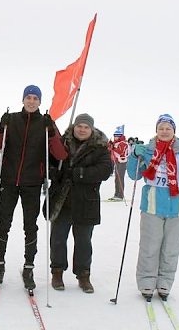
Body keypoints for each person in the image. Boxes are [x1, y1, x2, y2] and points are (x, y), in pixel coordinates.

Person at [0, 85, 67, 289]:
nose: (31, 101)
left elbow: (60, 154)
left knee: (30, 226)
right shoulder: (11, 119)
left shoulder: (46, 123)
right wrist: (0, 128)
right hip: (8, 180)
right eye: (28, 97)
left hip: (32, 182)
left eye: (35, 98)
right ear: (22, 100)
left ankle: (29, 266)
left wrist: (51, 133)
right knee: (3, 224)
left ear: (40, 102)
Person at [127, 114, 179, 299]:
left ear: (174, 130)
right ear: (156, 130)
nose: (164, 131)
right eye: (161, 128)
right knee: (149, 246)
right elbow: (133, 175)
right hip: (152, 204)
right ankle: (146, 282)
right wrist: (134, 156)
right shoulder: (147, 149)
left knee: (171, 248)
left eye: (168, 128)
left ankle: (165, 283)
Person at [48, 114, 112, 293]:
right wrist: (54, 172)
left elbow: (105, 170)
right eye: (79, 126)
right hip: (63, 199)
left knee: (83, 241)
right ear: (74, 127)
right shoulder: (62, 143)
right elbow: (50, 161)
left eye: (86, 127)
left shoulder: (99, 147)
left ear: (91, 129)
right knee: (58, 238)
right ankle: (57, 272)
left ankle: (83, 275)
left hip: (86, 200)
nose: (82, 129)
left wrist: (79, 173)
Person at [108, 126, 129, 201]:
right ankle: (116, 194)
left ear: (120, 136)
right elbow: (111, 149)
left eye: (117, 136)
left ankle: (120, 195)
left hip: (122, 161)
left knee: (120, 178)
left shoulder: (122, 143)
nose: (115, 137)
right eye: (114, 136)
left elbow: (121, 152)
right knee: (117, 178)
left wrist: (113, 147)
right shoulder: (116, 143)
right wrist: (110, 145)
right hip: (116, 161)